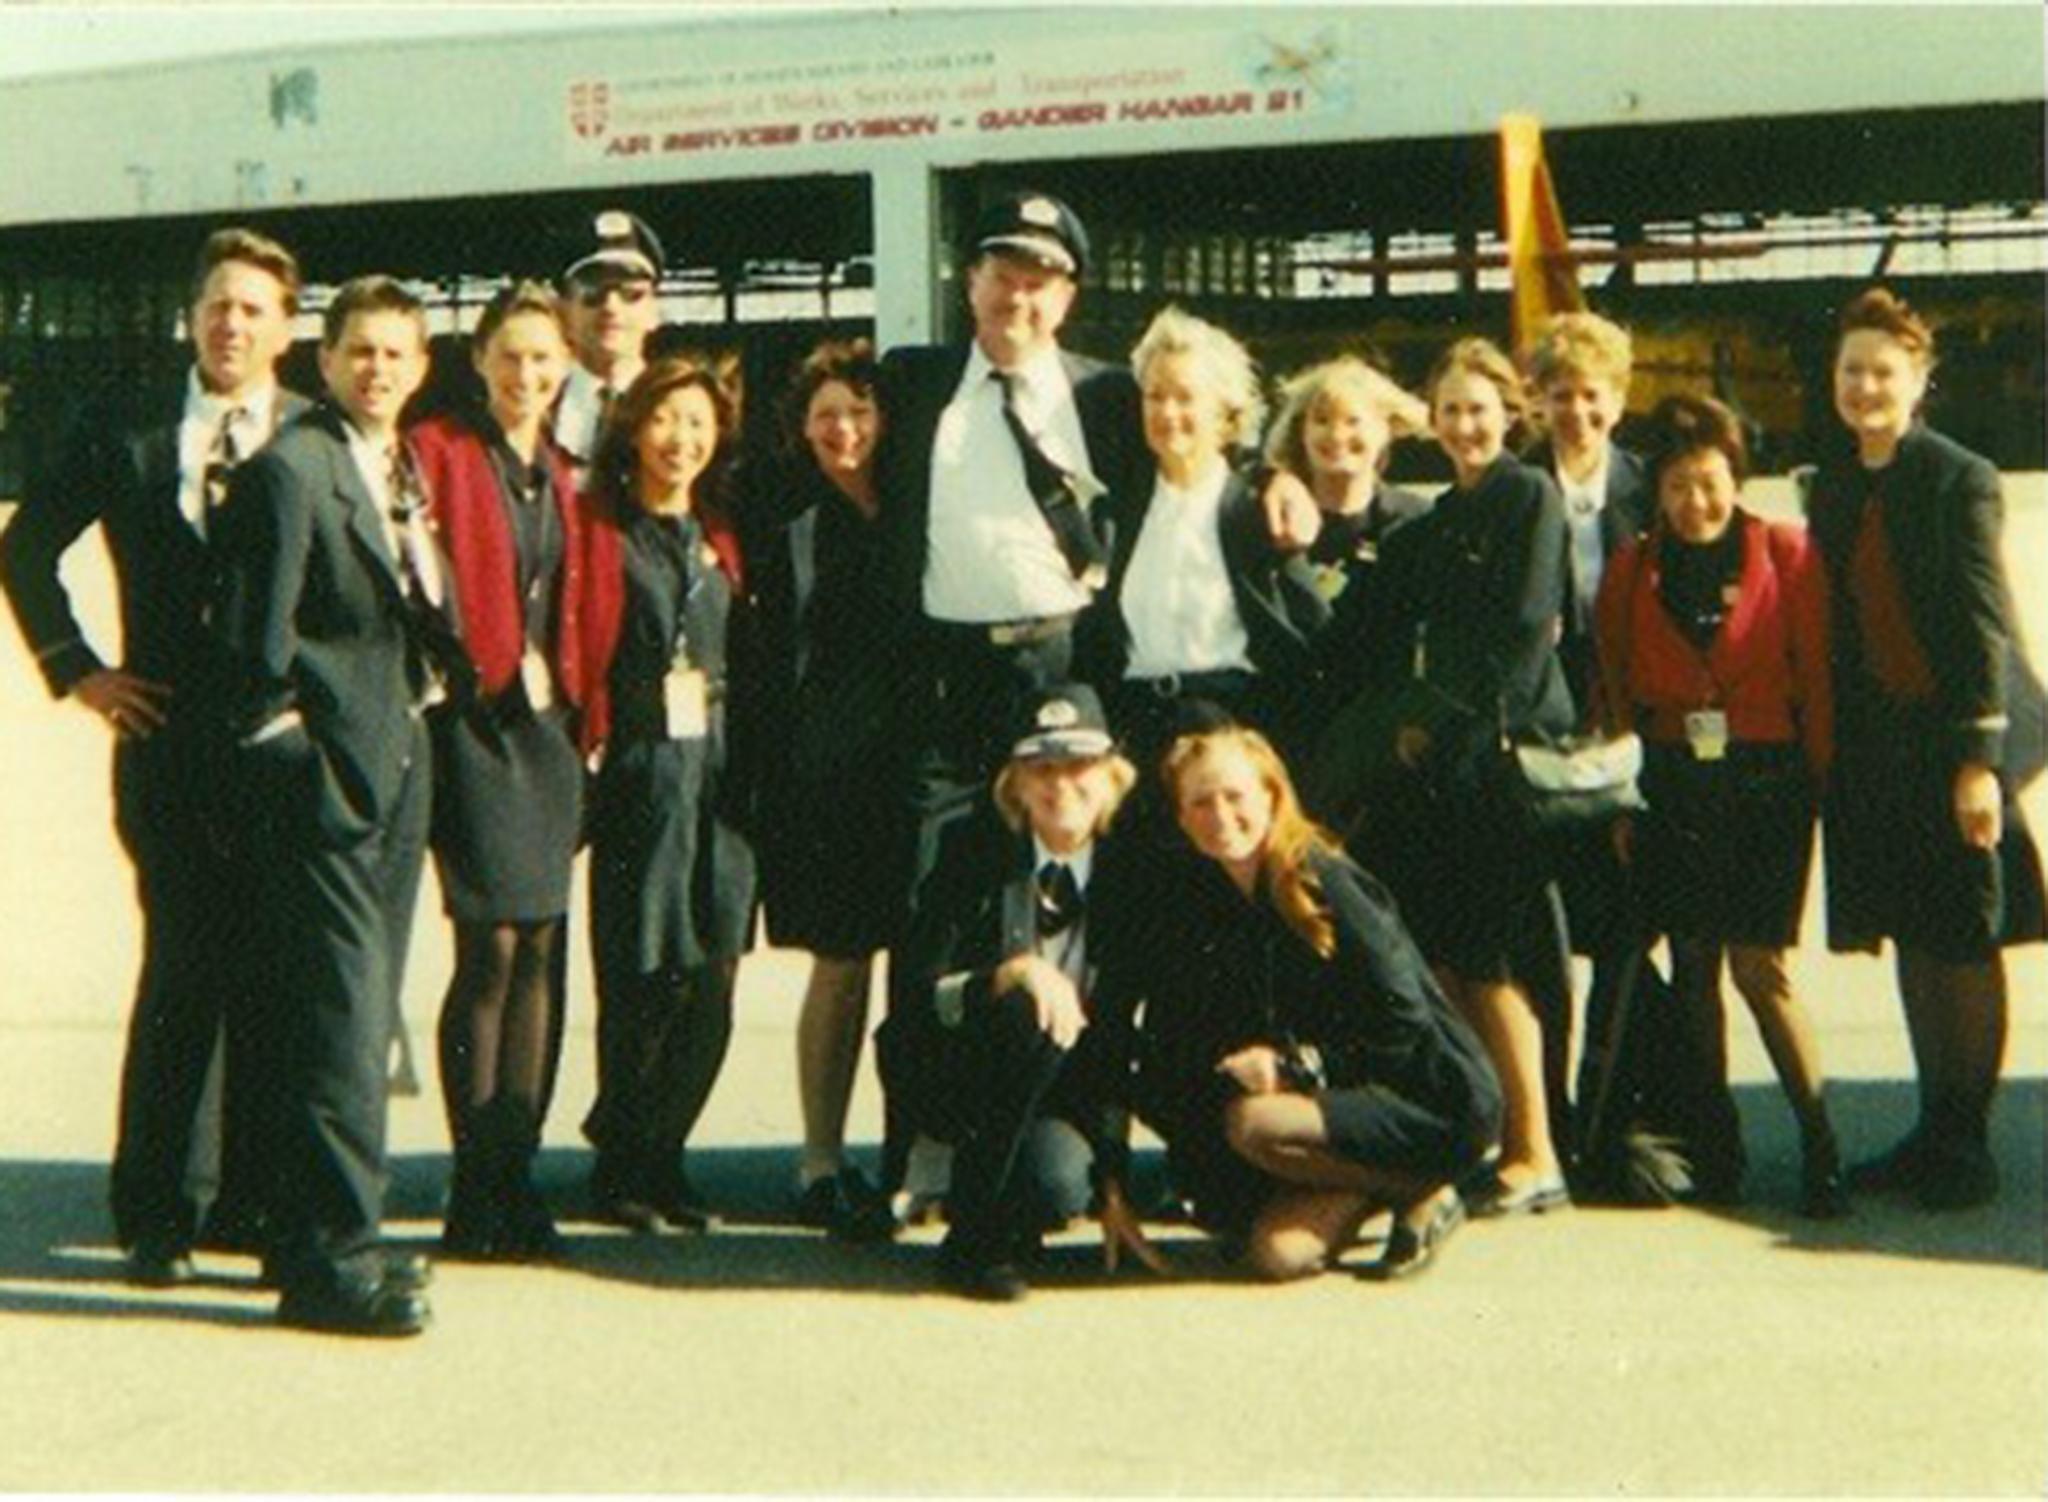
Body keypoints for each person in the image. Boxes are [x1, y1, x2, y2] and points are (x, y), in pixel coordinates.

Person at [0, 228, 308, 1285]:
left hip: (279, 755)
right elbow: (24, 546)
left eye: (254, 309)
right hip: (164, 744)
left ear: (285, 328)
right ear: (192, 316)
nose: (232, 323)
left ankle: (257, 1204)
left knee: (271, 979)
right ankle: (155, 1211)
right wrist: (76, 667)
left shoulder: (311, 437)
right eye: (217, 304)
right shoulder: (127, 426)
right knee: (181, 969)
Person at [208, 275, 449, 1336]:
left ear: (420, 366)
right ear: (326, 357)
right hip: (329, 783)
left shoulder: (393, 462)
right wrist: (302, 761)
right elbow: (253, 658)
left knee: (355, 1013)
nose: (378, 368)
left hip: (396, 766)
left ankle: (313, 1230)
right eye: (360, 350)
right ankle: (334, 1262)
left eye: (397, 352)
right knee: (345, 1024)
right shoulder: (290, 471)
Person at [1804, 287, 2048, 1211]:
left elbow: (1990, 626)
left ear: (1919, 381)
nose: (1865, 387)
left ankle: (1967, 1139)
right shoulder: (1829, 484)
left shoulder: (1960, 476)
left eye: (1883, 372)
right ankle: (1929, 1128)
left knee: (1963, 936)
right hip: (1874, 752)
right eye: (1851, 371)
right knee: (1913, 932)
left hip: (1952, 746)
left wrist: (1980, 762)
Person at [409, 282, 622, 1259]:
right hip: (475, 726)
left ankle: (516, 1170)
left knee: (540, 945)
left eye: (544, 359)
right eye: (510, 356)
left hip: (549, 734)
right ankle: (472, 1179)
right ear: (479, 358)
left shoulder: (570, 472)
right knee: (486, 949)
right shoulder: (440, 453)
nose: (527, 375)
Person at [1594, 394, 1845, 1216]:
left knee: (1757, 966)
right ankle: (1717, 1141)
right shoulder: (1633, 568)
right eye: (1677, 487)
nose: (1694, 503)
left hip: (1767, 783)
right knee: (1695, 962)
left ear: (1734, 479)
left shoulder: (1788, 553)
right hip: (1673, 782)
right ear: (1657, 492)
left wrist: (1823, 788)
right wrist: (1626, 803)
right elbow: (1615, 687)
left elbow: (1817, 676)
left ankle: (1819, 1140)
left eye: (1708, 483)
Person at [1148, 725, 1502, 1281]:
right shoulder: (1211, 897)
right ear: (1182, 817)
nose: (1219, 815)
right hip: (1344, 1110)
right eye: (1200, 801)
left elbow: (1402, 1023)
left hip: (1431, 1098)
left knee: (1254, 1124)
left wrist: (1295, 1067)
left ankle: (1428, 1188)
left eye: (1234, 796)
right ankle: (1375, 1189)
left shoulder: (1320, 877)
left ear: (1271, 794)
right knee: (1277, 1255)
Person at [876, 189, 1152, 888]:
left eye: (1038, 285)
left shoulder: (1108, 396)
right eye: (1002, 277)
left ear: (1066, 300)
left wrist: (1279, 483)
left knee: (1059, 872)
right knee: (930, 878)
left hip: (1062, 664)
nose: (1017, 299)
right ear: (970, 282)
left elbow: (1191, 462)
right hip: (945, 672)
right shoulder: (911, 383)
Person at [1370, 336, 1576, 1216]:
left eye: (1479, 410)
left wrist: (1436, 719)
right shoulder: (1430, 521)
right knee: (1453, 962)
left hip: (1500, 758)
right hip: (1449, 765)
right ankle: (1495, 1137)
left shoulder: (1530, 496)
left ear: (1509, 413)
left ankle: (1537, 1152)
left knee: (1494, 964)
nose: (1464, 426)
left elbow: (1526, 627)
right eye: (1450, 411)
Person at [878, 683, 1162, 1300]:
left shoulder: (1131, 872)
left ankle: (1002, 1200)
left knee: (1060, 1188)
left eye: (1079, 766)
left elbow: (1115, 1033)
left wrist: (1115, 1181)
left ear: (1112, 777)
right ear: (1015, 782)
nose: (1061, 785)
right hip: (957, 1069)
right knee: (1028, 1005)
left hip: (1059, 1086)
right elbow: (919, 999)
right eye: (1041, 768)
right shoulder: (968, 851)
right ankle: (971, 1242)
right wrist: (1008, 975)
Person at [581, 353, 757, 1233]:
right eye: (664, 419)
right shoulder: (604, 530)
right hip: (643, 761)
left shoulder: (722, 531)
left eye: (697, 421)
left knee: (714, 970)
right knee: (640, 971)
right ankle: (623, 1161)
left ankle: (668, 1150)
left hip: (721, 767)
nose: (680, 438)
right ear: (633, 428)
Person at [749, 338, 905, 1241]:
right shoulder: (785, 515)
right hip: (830, 773)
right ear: (801, 427)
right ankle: (819, 1155)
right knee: (842, 966)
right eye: (825, 415)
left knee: (921, 972)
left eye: (859, 411)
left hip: (914, 759)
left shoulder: (915, 504)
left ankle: (917, 1154)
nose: (843, 429)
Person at [1519, 312, 1667, 1188]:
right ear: (1536, 402)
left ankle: (1608, 1123)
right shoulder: (1515, 485)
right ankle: (1549, 1120)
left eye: (1594, 396)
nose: (1578, 412)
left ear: (1621, 398)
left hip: (1628, 729)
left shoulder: (1650, 490)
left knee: (1621, 935)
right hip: (1542, 734)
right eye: (1560, 395)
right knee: (1544, 939)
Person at [1078, 305, 1327, 773]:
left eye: (1185, 397)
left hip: (1235, 729)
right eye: (1154, 396)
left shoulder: (1259, 509)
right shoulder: (1117, 510)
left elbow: (1311, 633)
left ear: (1224, 411)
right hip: (1138, 730)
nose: (1168, 412)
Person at [1257, 355, 1433, 826]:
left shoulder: (1415, 521)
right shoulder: (1269, 517)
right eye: (1321, 421)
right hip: (1291, 724)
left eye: (1354, 421)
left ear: (1385, 430)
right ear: (1300, 432)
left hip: (1380, 738)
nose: (1337, 436)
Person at [555, 210, 666, 479]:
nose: (611, 307)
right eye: (593, 292)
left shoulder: (678, 409)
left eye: (631, 294)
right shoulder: (537, 410)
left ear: (655, 311)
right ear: (565, 310)